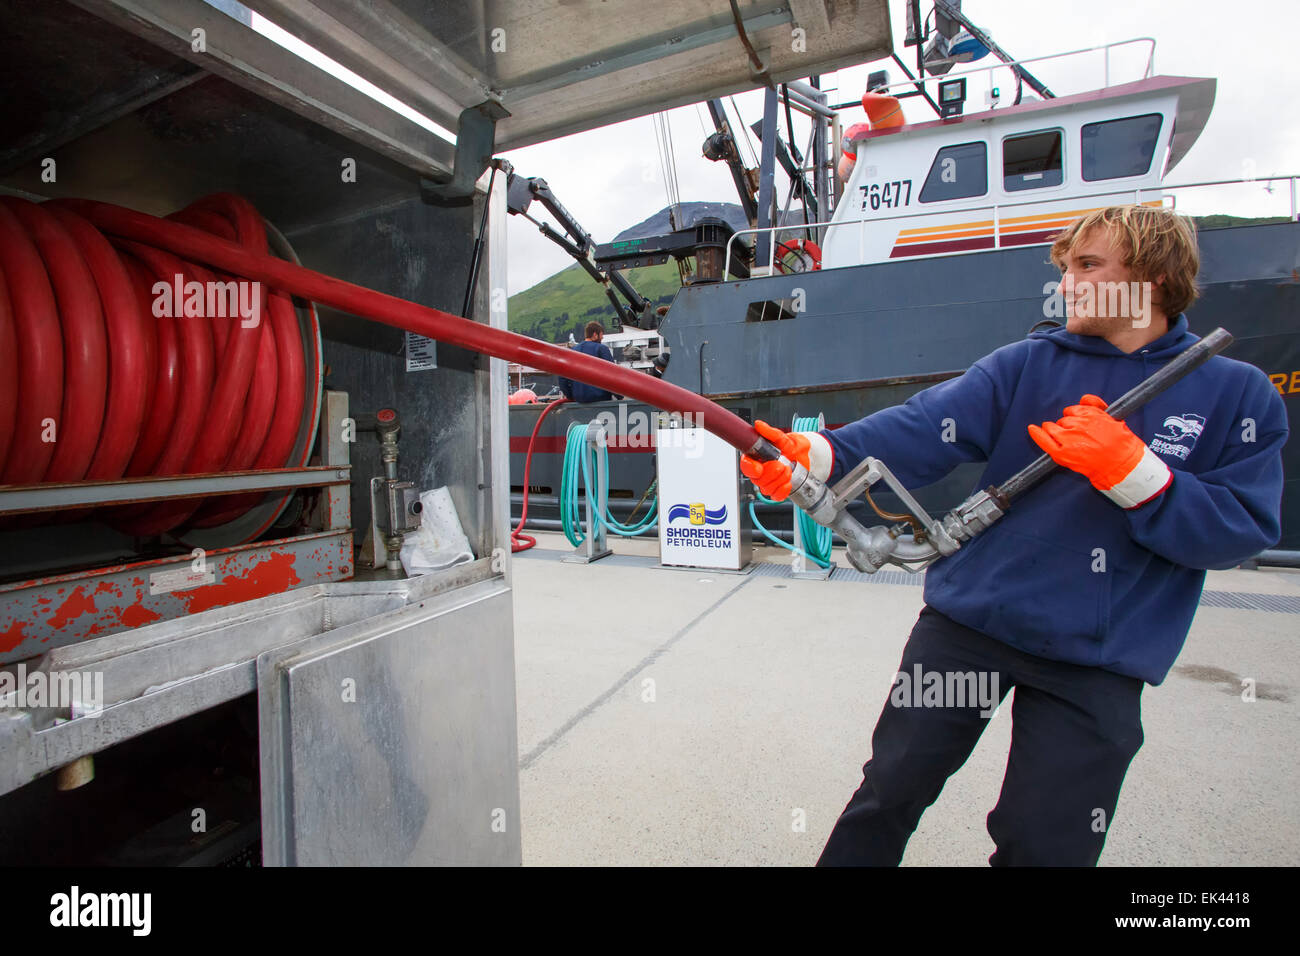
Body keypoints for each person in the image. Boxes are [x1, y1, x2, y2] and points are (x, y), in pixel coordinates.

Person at [740, 205, 1287, 866]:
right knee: (889, 792)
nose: (1066, 284)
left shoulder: (1236, 393)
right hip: (969, 630)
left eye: (1087, 266)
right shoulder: (1028, 364)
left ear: (1153, 276)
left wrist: (1139, 474)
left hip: (1097, 664)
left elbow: (1241, 530)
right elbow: (920, 429)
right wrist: (812, 456)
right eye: (1065, 268)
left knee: (1048, 845)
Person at [559, 321, 617, 402]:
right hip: (601, 401)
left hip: (579, 401)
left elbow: (562, 377)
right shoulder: (601, 349)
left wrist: (570, 396)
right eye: (601, 334)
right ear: (595, 335)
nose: (602, 337)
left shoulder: (572, 351)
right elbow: (612, 374)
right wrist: (620, 396)